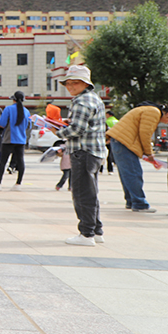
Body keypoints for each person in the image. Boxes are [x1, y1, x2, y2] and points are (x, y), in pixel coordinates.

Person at [56, 65, 107, 246]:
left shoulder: (81, 101)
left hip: (83, 152)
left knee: (82, 194)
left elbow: (77, 129)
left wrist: (57, 132)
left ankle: (86, 234)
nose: (70, 86)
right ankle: (96, 231)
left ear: (86, 83)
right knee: (91, 192)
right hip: (95, 152)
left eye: (75, 83)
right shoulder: (94, 98)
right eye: (68, 83)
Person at [106, 104, 168, 212]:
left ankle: (131, 201)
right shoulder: (154, 112)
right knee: (133, 173)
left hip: (119, 141)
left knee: (127, 174)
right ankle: (139, 204)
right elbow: (145, 133)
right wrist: (149, 153)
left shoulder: (148, 109)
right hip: (124, 143)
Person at [0, 91, 31, 191]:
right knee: (20, 161)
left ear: (13, 99)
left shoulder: (8, 109)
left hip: (9, 139)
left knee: (3, 161)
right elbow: (28, 126)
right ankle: (18, 184)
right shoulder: (26, 111)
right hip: (21, 140)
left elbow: (2, 123)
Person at [104, 110, 119, 174]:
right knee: (112, 153)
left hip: (108, 139)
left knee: (106, 154)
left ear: (109, 115)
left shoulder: (107, 121)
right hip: (117, 139)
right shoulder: (117, 121)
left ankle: (102, 169)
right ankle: (113, 165)